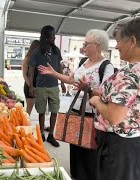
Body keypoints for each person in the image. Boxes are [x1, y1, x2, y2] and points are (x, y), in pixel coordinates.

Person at [89, 17, 140, 180]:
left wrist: (96, 101)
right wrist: (103, 93)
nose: (116, 46)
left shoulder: (130, 72)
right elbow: (136, 101)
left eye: (118, 41)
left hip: (123, 148)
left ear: (132, 41)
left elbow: (115, 116)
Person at [38, 29, 115, 180]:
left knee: (89, 150)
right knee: (75, 146)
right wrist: (54, 73)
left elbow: (107, 94)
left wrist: (89, 90)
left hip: (92, 115)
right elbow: (71, 80)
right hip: (75, 111)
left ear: (97, 45)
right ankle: (76, 175)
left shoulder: (106, 66)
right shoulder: (83, 62)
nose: (83, 46)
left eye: (86, 44)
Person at [28, 25, 66, 147]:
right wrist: (31, 86)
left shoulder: (56, 50)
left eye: (54, 35)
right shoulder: (37, 51)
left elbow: (59, 67)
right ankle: (41, 134)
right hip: (41, 86)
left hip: (54, 86)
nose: (54, 37)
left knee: (55, 110)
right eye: (52, 35)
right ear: (45, 37)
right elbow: (31, 69)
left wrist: (63, 83)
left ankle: (51, 135)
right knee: (41, 111)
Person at [22, 40, 40, 115]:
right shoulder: (27, 59)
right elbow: (24, 75)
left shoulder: (39, 59)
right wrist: (31, 86)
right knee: (29, 108)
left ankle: (42, 125)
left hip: (39, 86)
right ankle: (25, 124)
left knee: (40, 108)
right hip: (29, 86)